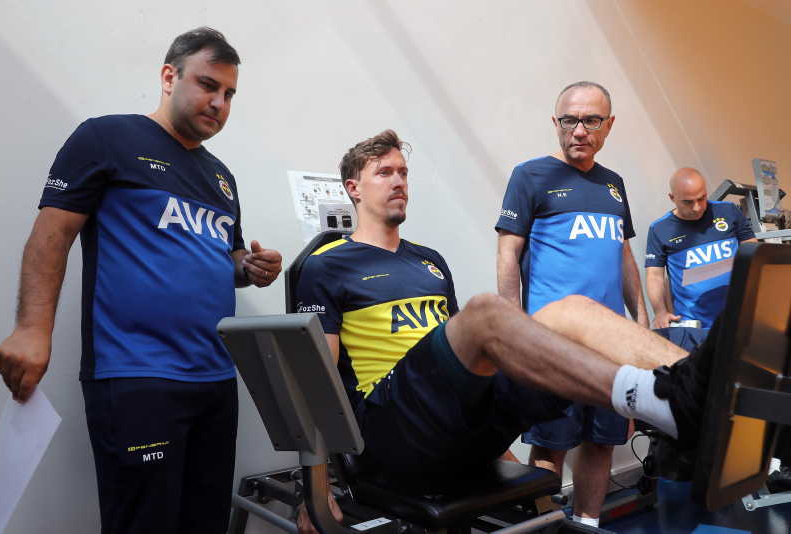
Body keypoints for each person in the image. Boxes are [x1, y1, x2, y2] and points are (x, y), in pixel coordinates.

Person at [295, 130, 710, 534]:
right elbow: (315, 379)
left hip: (453, 423)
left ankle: (703, 388)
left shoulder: (430, 261)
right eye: (384, 173)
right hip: (392, 426)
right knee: (486, 311)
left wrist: (500, 453)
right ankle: (653, 398)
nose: (399, 181)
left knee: (574, 310)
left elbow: (463, 362)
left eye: (403, 172)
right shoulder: (326, 265)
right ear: (353, 188)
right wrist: (315, 488)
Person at [0, 27, 282, 533]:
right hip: (137, 374)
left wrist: (252, 268)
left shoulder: (222, 178)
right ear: (169, 77)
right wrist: (33, 327)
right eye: (208, 85)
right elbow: (52, 233)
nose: (219, 102)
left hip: (216, 378)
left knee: (206, 524)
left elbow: (227, 258)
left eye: (229, 93)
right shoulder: (106, 138)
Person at [495, 81, 646, 526]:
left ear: (608, 125)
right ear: (556, 123)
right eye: (569, 120)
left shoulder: (613, 184)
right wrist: (515, 330)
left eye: (591, 120)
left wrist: (641, 322)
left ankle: (587, 526)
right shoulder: (530, 175)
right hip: (553, 344)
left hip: (611, 345)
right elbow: (508, 254)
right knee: (551, 445)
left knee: (602, 442)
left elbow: (623, 255)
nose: (579, 130)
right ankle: (545, 528)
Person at [645, 167, 756, 330]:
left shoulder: (728, 211)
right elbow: (654, 276)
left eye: (701, 198)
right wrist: (660, 312)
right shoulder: (659, 229)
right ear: (672, 198)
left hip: (739, 316)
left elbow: (753, 253)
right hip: (693, 325)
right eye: (687, 202)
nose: (696, 207)